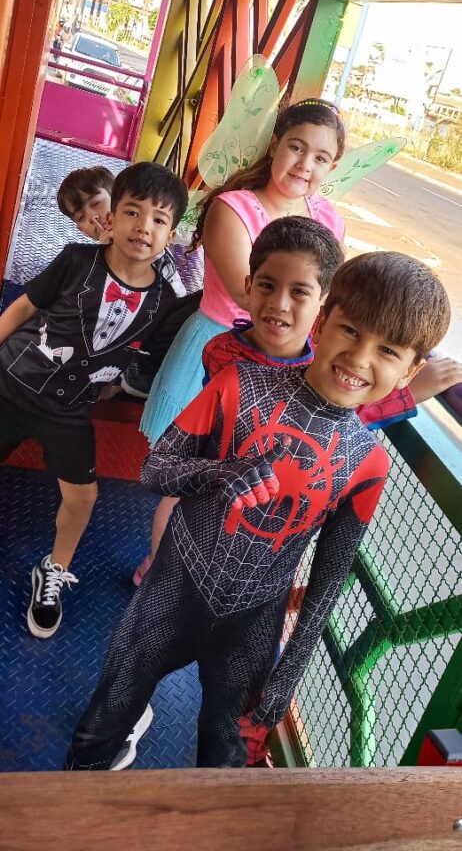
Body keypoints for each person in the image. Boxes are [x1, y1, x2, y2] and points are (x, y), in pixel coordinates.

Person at [66, 249, 450, 771]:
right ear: (322, 322)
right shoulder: (238, 384)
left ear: (411, 371)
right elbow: (155, 470)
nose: (359, 359)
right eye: (350, 331)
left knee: (227, 757)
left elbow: (327, 581)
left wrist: (289, 674)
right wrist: (222, 474)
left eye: (387, 350)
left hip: (253, 622)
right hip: (171, 590)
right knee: (101, 725)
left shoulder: (369, 462)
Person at [134, 98, 346, 582]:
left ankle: (207, 575)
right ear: (275, 145)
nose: (305, 164)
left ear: (331, 166)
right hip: (219, 352)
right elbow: (247, 295)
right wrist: (310, 311)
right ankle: (158, 574)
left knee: (255, 479)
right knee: (189, 481)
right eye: (296, 147)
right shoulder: (233, 207)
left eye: (320, 157)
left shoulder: (329, 218)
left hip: (285, 363)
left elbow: (335, 291)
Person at [0, 162, 188, 639]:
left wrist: (118, 383)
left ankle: (54, 571)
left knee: (83, 496)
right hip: (12, 381)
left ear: (170, 235)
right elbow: (25, 306)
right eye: (132, 212)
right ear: (114, 217)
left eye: (159, 219)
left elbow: (147, 356)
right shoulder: (76, 259)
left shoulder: (166, 299)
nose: (143, 226)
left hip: (68, 410)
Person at [57, 164, 201, 396]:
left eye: (96, 203)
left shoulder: (145, 240)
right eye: (81, 217)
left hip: (164, 329)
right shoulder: (83, 259)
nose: (93, 217)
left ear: (117, 199)